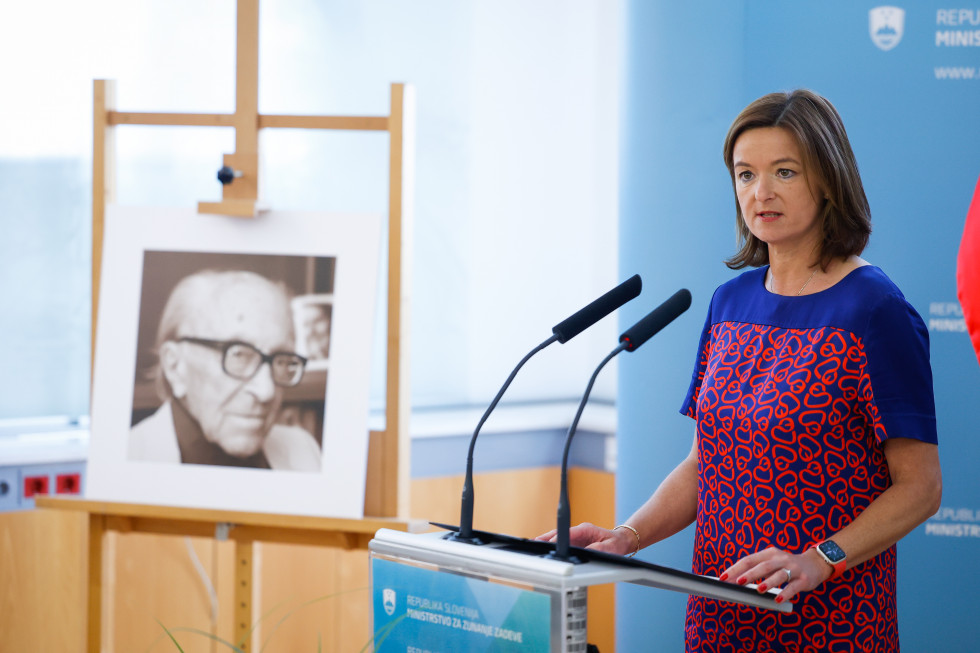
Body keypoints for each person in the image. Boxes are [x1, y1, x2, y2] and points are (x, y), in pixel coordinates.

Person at [539, 89, 942, 652]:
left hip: (830, 618)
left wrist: (820, 560)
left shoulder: (874, 310)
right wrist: (626, 536)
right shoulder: (729, 302)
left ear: (827, 181)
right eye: (745, 174)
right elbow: (707, 462)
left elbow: (921, 488)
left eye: (784, 172)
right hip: (720, 613)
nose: (761, 192)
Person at [129, 269, 322, 472]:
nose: (267, 391)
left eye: (281, 360)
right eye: (238, 355)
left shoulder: (304, 451)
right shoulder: (124, 461)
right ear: (175, 366)